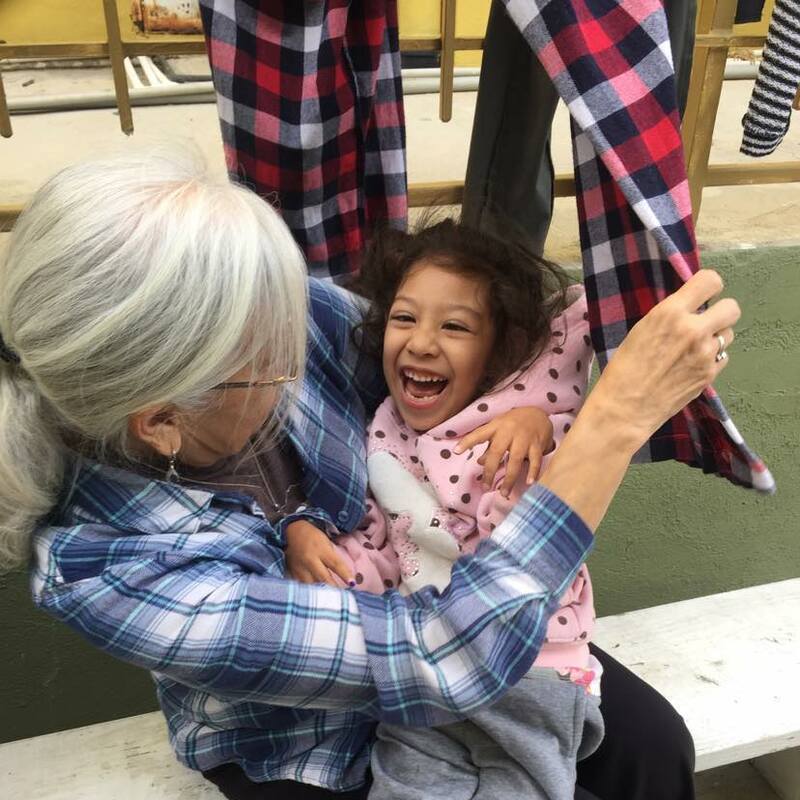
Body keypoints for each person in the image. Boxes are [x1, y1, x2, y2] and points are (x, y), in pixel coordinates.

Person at [0, 152, 737, 800]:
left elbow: (484, 349)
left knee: (656, 750)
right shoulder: (109, 571)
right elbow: (444, 656)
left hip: (437, 585)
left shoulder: (285, 317)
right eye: (273, 355)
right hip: (303, 737)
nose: (306, 336)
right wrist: (612, 423)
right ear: (161, 421)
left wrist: (539, 411)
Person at [284, 219, 600, 800]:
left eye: (454, 326)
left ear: (500, 350)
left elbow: (559, 517)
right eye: (404, 318)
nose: (422, 341)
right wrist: (316, 546)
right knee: (403, 785)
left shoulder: (519, 424)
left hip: (529, 667)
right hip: (425, 662)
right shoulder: (383, 435)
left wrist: (544, 427)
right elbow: (385, 542)